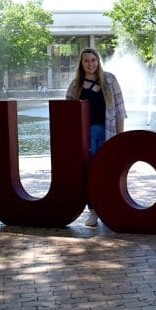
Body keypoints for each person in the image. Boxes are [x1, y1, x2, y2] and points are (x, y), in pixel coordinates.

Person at [66, 48, 128, 227]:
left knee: (107, 171)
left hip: (107, 133)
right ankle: (93, 210)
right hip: (85, 137)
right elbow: (67, 115)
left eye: (93, 60)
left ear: (98, 61)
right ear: (81, 64)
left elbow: (120, 110)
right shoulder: (75, 85)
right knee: (88, 173)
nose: (90, 64)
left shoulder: (109, 80)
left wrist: (120, 138)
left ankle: (108, 208)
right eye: (86, 61)